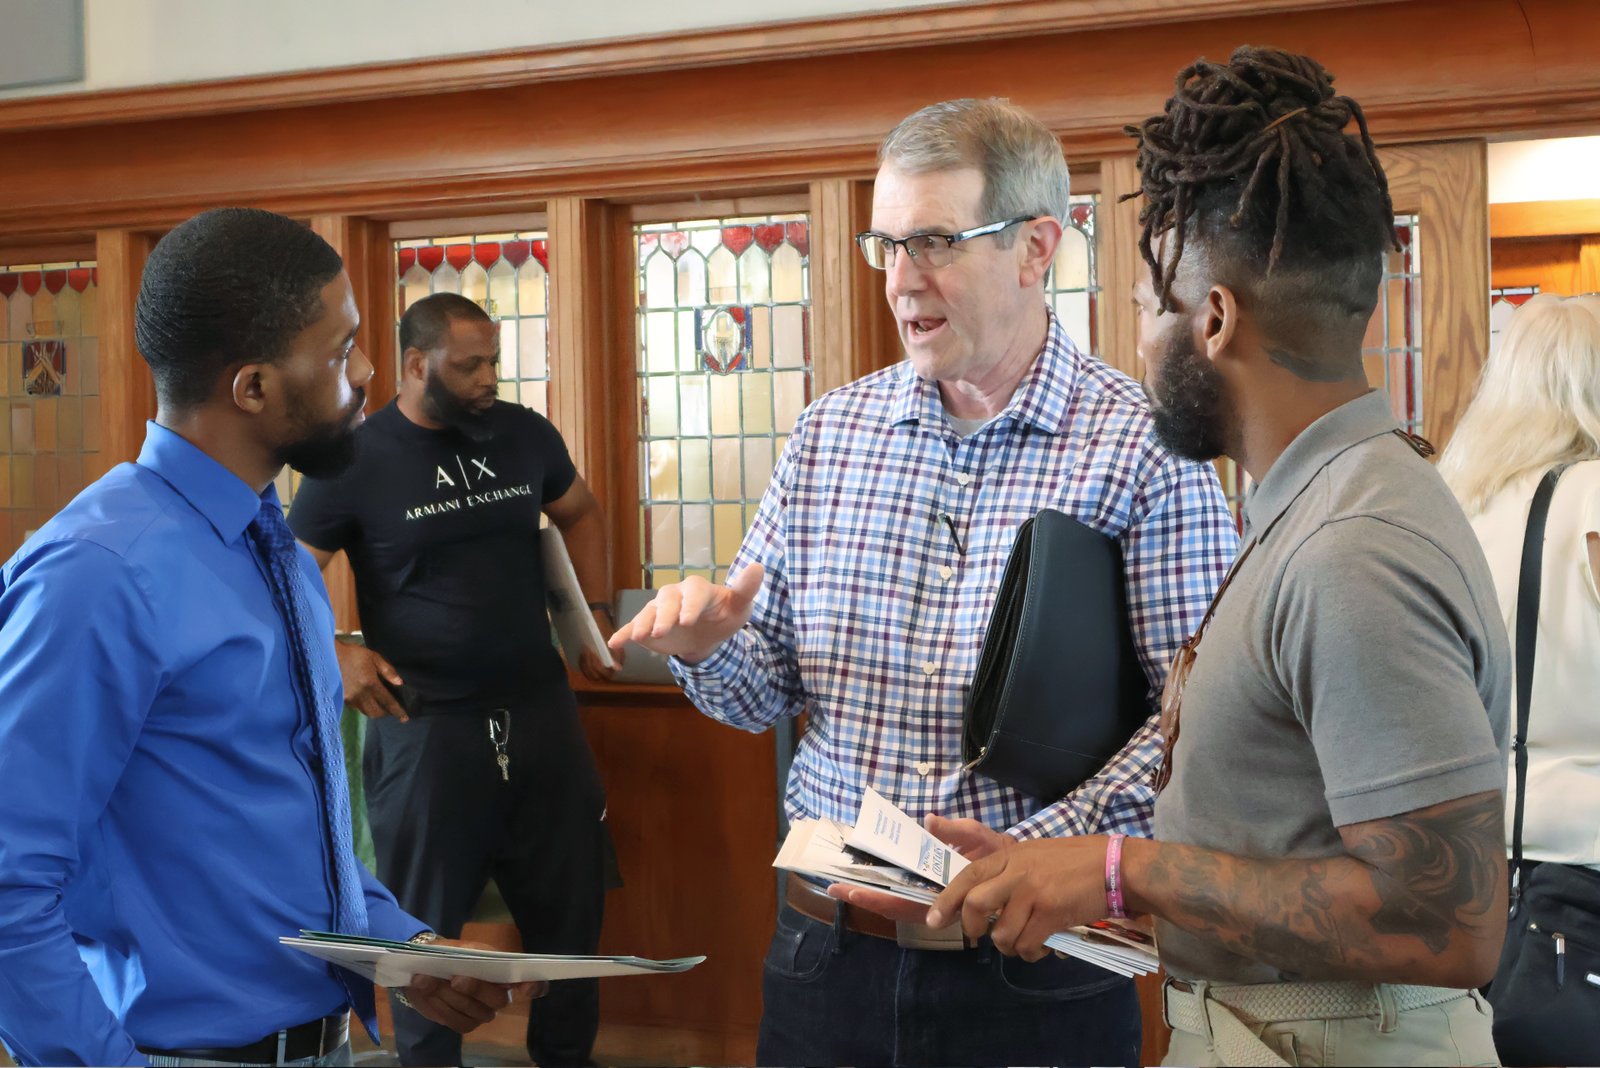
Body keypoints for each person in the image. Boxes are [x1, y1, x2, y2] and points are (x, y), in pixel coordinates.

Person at [855, 47, 1512, 1068]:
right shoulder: (1304, 509)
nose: (1138, 336)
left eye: (1149, 306)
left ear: (1211, 320)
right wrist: (1063, 869)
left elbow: (1444, 920)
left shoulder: (1352, 551)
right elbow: (1282, 847)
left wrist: (1124, 868)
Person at [611, 98, 1238, 1067]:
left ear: (1039, 247)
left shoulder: (1146, 447)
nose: (902, 280)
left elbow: (1195, 723)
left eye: (937, 241)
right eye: (886, 245)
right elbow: (759, 692)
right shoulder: (831, 435)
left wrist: (1037, 854)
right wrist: (709, 648)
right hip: (825, 959)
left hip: (1035, 969)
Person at [0, 209, 531, 1068]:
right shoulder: (98, 573)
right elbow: (7, 881)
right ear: (252, 388)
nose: (365, 374)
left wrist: (400, 948)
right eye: (338, 352)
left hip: (323, 1046)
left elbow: (287, 826)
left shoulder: (271, 546)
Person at [287, 291, 618, 1068]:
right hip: (426, 728)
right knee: (424, 941)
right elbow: (293, 569)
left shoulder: (522, 435)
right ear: (414, 363)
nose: (487, 379)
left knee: (571, 930)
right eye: (468, 365)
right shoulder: (355, 458)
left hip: (541, 717)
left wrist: (590, 614)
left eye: (494, 362)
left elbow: (581, 509)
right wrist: (336, 654)